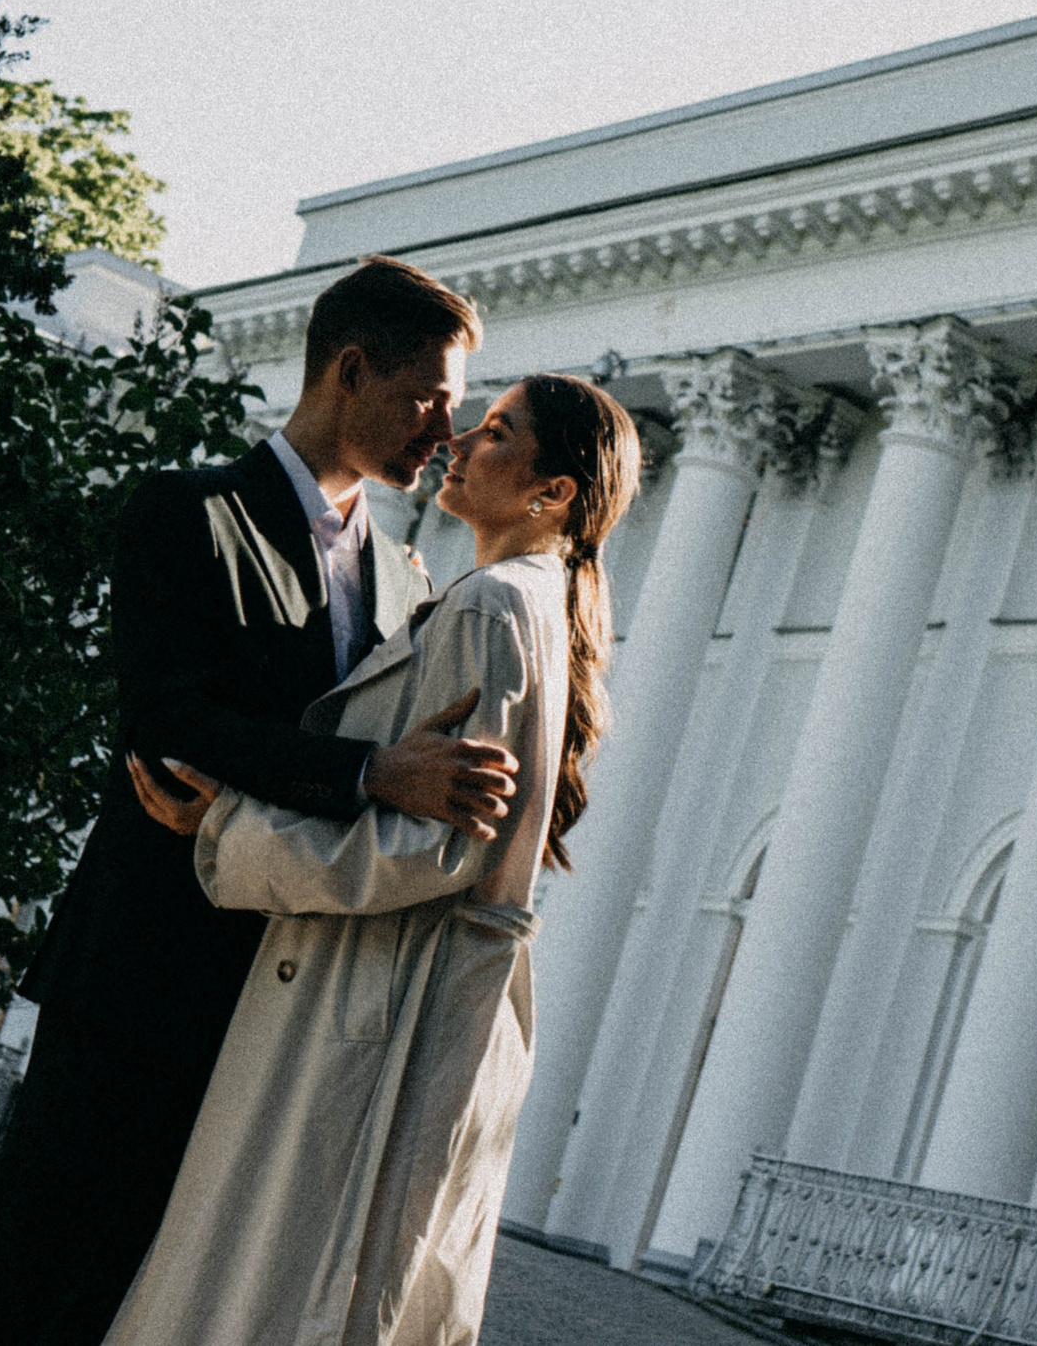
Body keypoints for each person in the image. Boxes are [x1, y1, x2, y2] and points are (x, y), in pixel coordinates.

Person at [0, 256, 525, 1346]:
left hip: (280, 1008)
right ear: (350, 369)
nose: (447, 426)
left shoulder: (410, 584)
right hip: (138, 979)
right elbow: (167, 725)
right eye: (430, 395)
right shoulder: (188, 513)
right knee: (29, 1277)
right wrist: (367, 777)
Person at [102, 373, 641, 1346]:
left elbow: (430, 848)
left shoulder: (489, 607)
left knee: (293, 1294)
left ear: (551, 491)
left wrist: (226, 829)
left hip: (382, 999)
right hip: (414, 998)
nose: (463, 442)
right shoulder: (533, 602)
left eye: (495, 432)